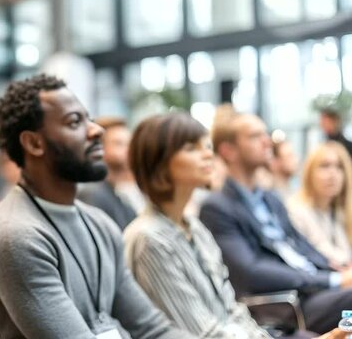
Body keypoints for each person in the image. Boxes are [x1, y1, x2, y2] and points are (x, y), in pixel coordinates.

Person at [0, 74, 188, 338]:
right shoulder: (14, 236)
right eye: (75, 121)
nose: (96, 130)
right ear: (34, 143)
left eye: (88, 118)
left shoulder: (99, 223)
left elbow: (152, 329)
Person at [199, 110, 352, 334]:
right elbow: (251, 271)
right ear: (228, 150)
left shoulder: (270, 199)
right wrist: (331, 279)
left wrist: (336, 269)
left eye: (265, 134)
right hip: (287, 303)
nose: (266, 141)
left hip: (312, 290)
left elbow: (302, 246)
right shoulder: (217, 207)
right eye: (254, 136)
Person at [123, 113, 274, 338]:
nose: (207, 154)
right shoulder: (150, 239)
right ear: (159, 161)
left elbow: (231, 309)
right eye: (191, 148)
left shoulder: (194, 227)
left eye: (206, 146)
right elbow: (201, 333)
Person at [286, 141, 352, 268]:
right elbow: (317, 251)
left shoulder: (339, 211)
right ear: (309, 172)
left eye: (339, 167)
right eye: (324, 166)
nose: (333, 174)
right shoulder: (296, 210)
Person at [78, 117, 143, 230]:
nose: (128, 150)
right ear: (99, 148)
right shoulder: (93, 194)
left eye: (129, 144)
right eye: (119, 143)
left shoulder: (119, 196)